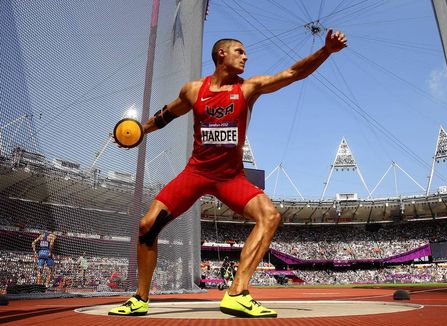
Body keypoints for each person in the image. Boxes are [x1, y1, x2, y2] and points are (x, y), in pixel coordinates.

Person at [109, 28, 347, 318]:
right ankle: (139, 299)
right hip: (196, 173)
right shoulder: (194, 90)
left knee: (270, 216)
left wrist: (325, 52)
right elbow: (167, 114)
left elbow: (293, 73)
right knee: (147, 225)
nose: (246, 56)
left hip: (230, 178)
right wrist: (138, 131)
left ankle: (237, 293)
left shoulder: (249, 88)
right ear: (222, 54)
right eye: (240, 51)